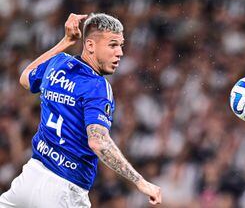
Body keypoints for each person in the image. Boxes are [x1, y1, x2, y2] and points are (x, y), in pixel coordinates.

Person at [0, 13, 162, 207]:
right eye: (112, 45)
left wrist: (66, 41)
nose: (119, 52)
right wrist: (140, 181)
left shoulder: (57, 63)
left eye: (121, 45)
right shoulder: (97, 86)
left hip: (29, 178)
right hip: (64, 190)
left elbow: (25, 77)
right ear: (91, 45)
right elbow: (98, 142)